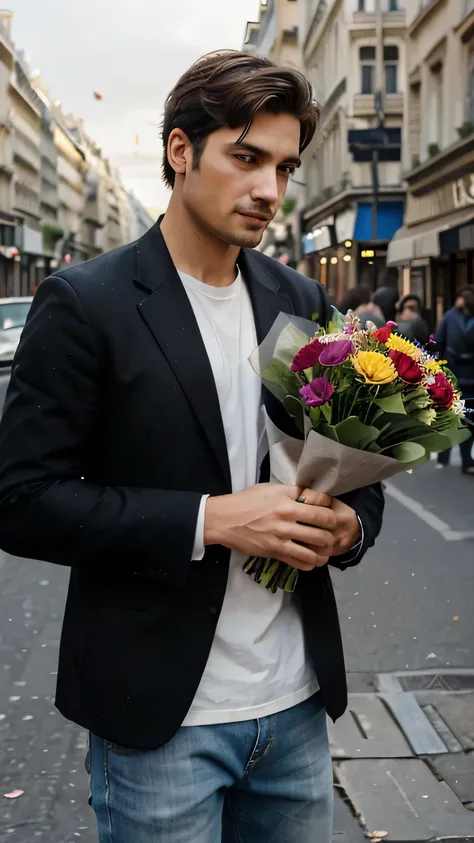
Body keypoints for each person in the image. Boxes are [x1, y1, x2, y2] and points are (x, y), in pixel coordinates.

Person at [0, 51, 384, 843]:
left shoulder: (299, 296)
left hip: (296, 704)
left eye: (283, 166)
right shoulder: (86, 303)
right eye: (246, 158)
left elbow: (349, 464)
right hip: (164, 720)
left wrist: (351, 527)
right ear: (181, 150)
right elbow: (23, 500)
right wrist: (212, 519)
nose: (269, 191)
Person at [436, 286, 474, 475]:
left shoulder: (451, 316)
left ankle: (465, 458)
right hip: (455, 375)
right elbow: (439, 341)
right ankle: (447, 454)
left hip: (466, 377)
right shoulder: (451, 317)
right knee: (456, 416)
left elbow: (439, 341)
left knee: (464, 418)